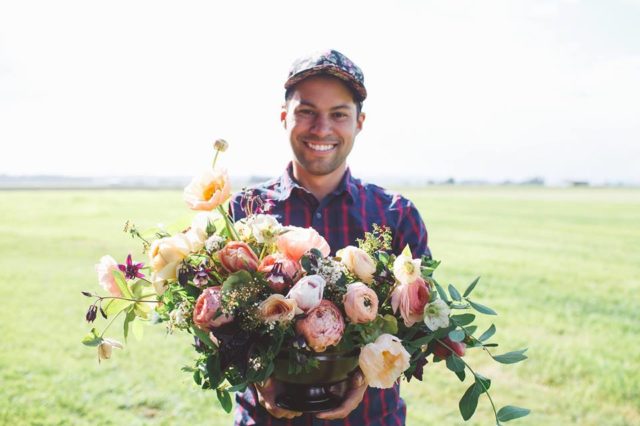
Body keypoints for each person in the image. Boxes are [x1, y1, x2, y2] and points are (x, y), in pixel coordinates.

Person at [230, 49, 430, 426]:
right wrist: (258, 380)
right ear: (284, 116)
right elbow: (208, 333)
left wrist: (365, 379)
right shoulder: (244, 211)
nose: (322, 128)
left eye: (339, 114)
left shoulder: (397, 215)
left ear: (360, 122)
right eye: (306, 111)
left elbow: (423, 333)